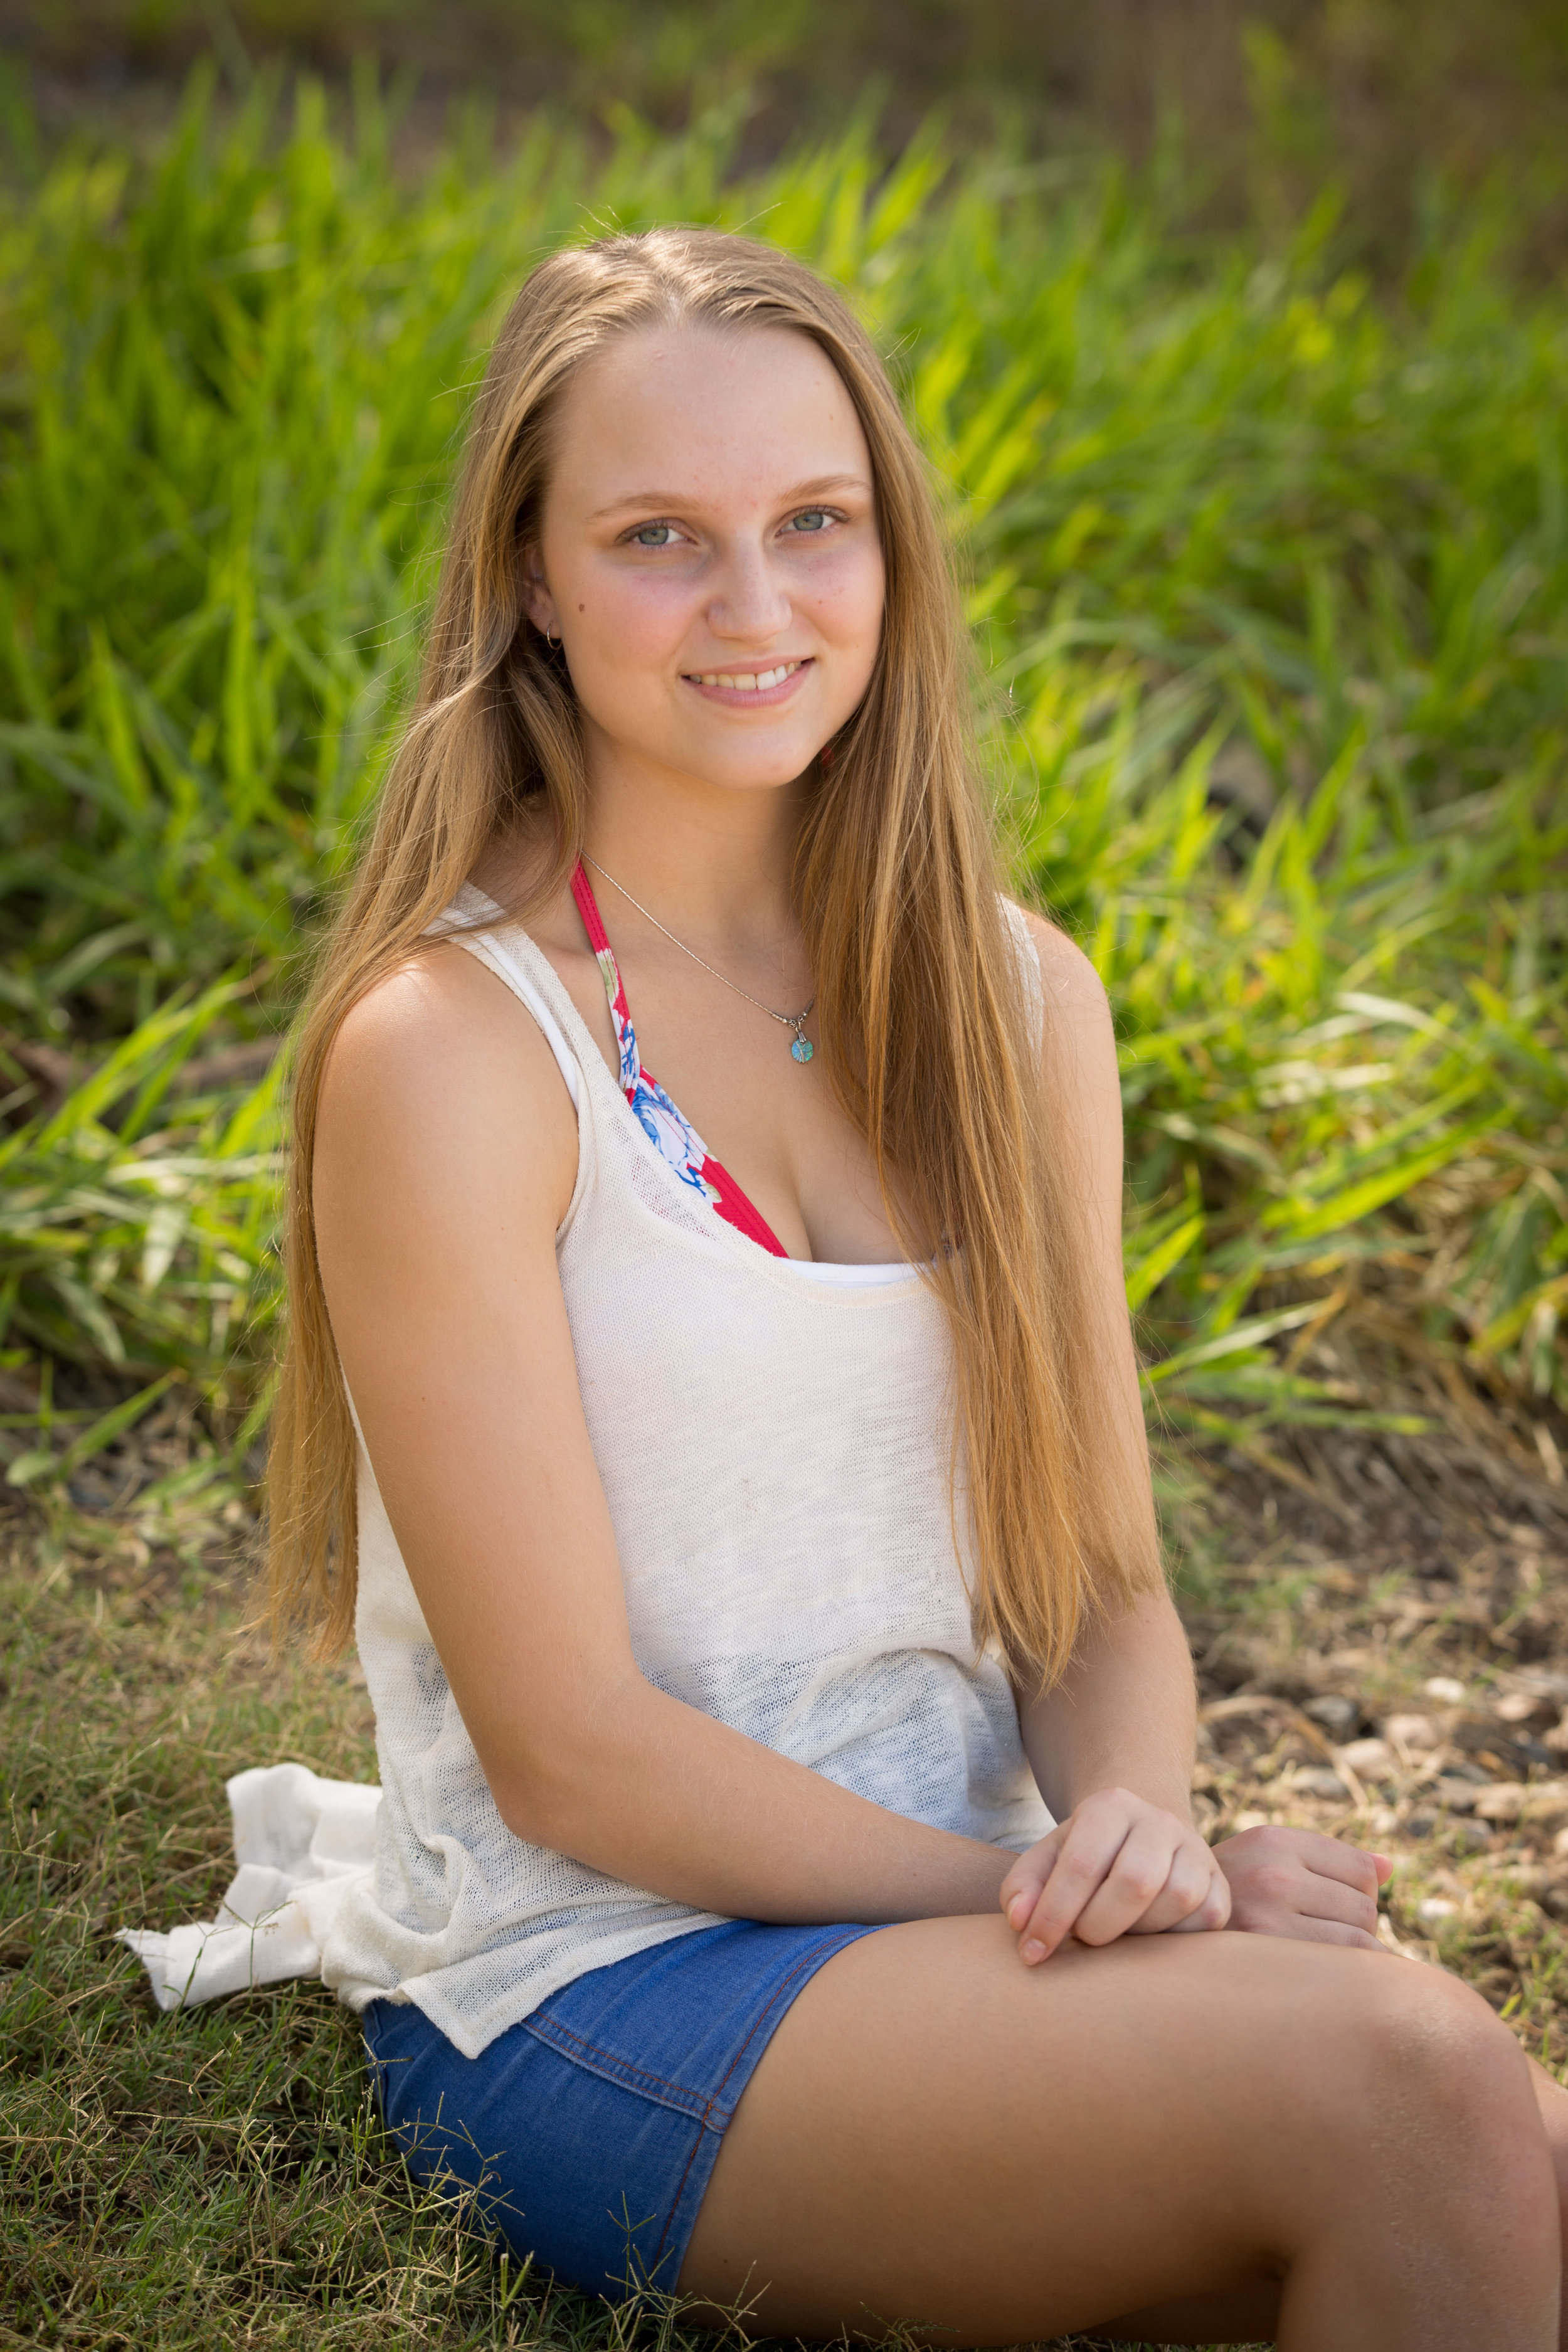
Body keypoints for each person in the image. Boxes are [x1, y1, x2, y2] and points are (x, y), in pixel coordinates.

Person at [268, 226, 1568, 2349]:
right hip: (604, 1978)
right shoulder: (454, 1056)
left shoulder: (1013, 1001)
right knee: (1414, 2090)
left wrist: (1134, 1827)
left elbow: (1090, 1585)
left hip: (983, 1941)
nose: (758, 605)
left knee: (1527, 2174)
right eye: (661, 538)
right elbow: (575, 1758)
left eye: (813, 524)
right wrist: (1097, 1899)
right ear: (531, 573)